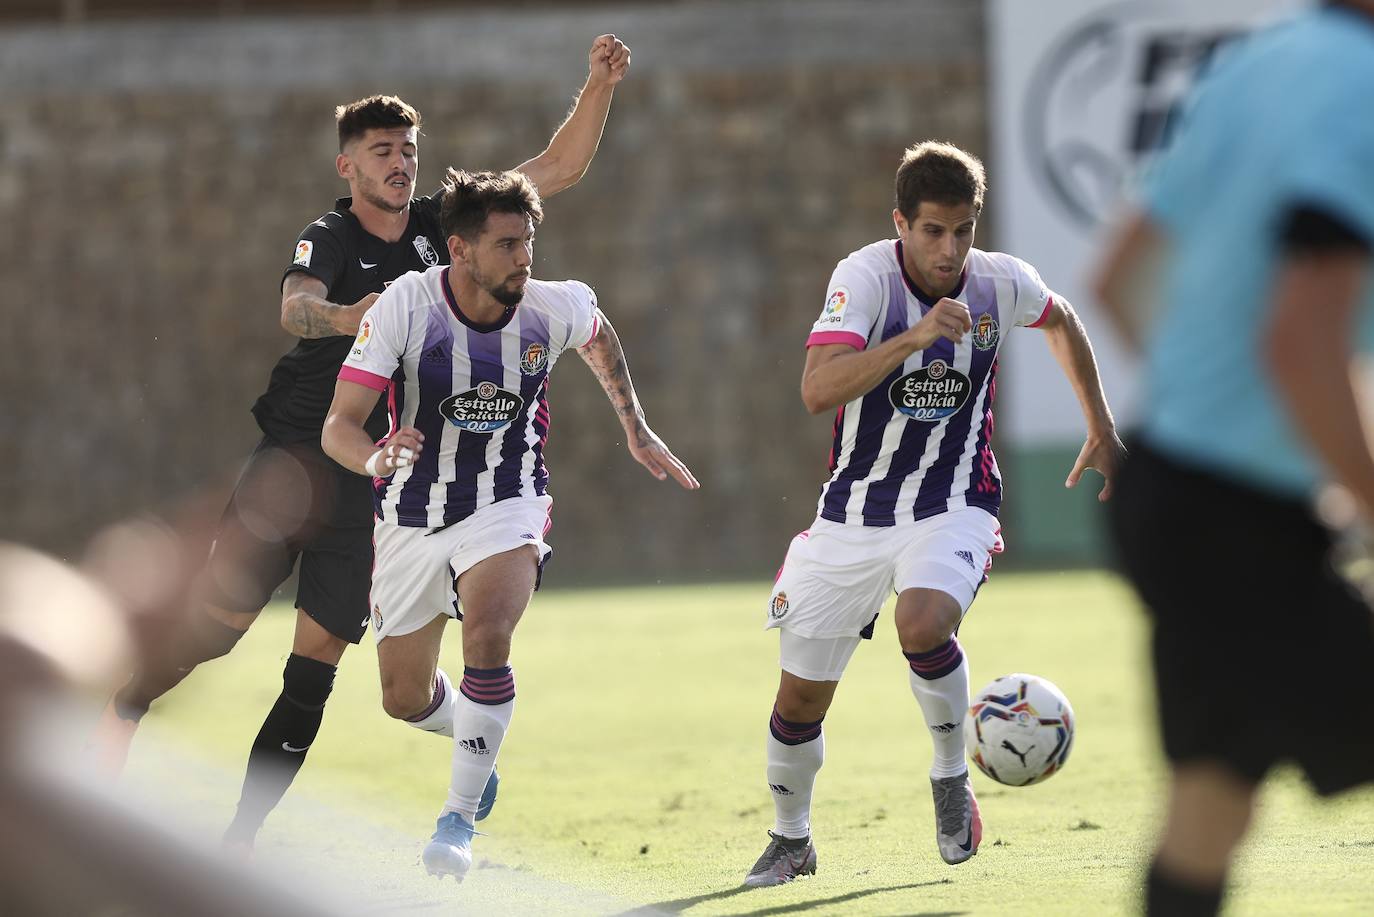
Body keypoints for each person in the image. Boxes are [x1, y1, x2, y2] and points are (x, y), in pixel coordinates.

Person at [93, 34, 632, 853]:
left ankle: (239, 842)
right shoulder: (331, 237)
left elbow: (553, 168)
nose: (401, 163)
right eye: (382, 151)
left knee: (316, 663)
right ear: (348, 166)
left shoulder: (441, 232)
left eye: (410, 150)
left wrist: (596, 85)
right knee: (221, 623)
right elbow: (295, 306)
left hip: (375, 483)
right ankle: (130, 701)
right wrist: (354, 317)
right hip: (294, 460)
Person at [743, 141, 1122, 886]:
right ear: (901, 224)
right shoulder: (865, 279)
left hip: (956, 503)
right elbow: (818, 389)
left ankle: (952, 775)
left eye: (964, 230)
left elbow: (1063, 317)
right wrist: (912, 336)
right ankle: (792, 840)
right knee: (797, 701)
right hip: (852, 514)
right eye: (933, 232)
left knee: (922, 622)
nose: (950, 250)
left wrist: (1100, 425)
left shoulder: (1000, 283)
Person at [321, 167, 698, 881]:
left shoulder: (549, 306)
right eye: (505, 245)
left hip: (506, 500)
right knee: (402, 697)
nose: (523, 258)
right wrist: (373, 458)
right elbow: (337, 425)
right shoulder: (406, 306)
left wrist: (635, 424)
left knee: (488, 632)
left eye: (527, 242)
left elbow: (598, 331)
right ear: (459, 250)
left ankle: (456, 819)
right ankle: (475, 740)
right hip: (409, 513)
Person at [1092, 4, 1374, 915]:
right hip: (1232, 532)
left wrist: (1226, 435)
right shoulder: (1359, 90)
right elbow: (1300, 346)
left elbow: (1117, 280)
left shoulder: (1260, 63)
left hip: (1165, 496)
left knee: (1210, 808)